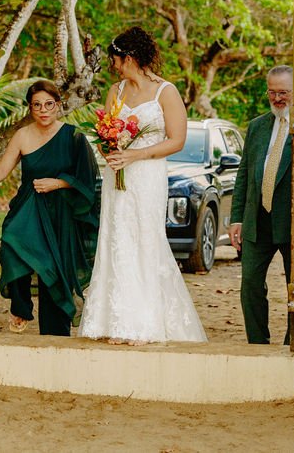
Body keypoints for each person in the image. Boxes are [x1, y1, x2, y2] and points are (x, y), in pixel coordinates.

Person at [78, 27, 207, 345]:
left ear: (130, 58)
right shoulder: (116, 91)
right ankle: (114, 322)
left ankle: (145, 323)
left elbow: (176, 140)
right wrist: (110, 151)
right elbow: (107, 132)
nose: (114, 66)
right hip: (118, 176)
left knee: (144, 239)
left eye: (116, 60)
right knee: (116, 239)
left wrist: (137, 153)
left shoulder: (166, 92)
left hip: (148, 175)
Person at [0, 80, 98, 336]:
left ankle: (55, 337)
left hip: (62, 214)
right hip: (29, 208)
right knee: (10, 246)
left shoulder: (74, 137)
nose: (43, 109)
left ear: (58, 105)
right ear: (30, 108)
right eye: (37, 105)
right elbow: (2, 169)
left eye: (49, 104)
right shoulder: (22, 135)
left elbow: (88, 179)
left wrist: (58, 183)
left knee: (54, 271)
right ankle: (21, 307)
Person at [229, 65, 294, 345]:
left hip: (293, 223)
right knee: (250, 286)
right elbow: (243, 175)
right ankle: (258, 344)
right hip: (257, 219)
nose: (277, 98)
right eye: (272, 92)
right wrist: (236, 219)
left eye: (283, 92)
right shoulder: (256, 127)